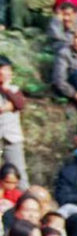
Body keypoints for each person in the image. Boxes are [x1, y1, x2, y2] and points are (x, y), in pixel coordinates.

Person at [0, 55, 28, 188]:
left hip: (12, 136)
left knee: (19, 171)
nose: (4, 73)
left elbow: (20, 104)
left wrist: (6, 89)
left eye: (7, 70)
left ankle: (25, 200)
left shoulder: (13, 90)